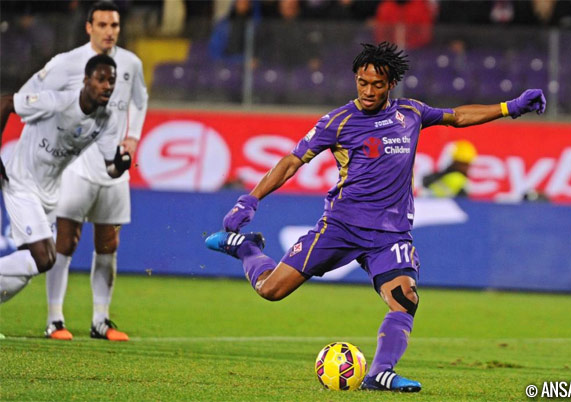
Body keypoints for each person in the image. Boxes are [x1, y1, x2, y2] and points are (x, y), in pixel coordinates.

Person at [205, 42, 546, 392]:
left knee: (405, 298)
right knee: (271, 290)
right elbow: (292, 161)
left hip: (390, 234)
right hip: (341, 227)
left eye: (377, 84)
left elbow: (457, 117)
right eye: (362, 82)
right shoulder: (337, 122)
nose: (368, 91)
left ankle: (380, 373)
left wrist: (510, 107)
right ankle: (245, 248)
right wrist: (250, 200)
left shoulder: (411, 113)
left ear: (391, 84)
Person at [19, 1, 148, 341]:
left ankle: (100, 320)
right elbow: (33, 94)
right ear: (89, 27)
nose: (109, 31)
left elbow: (140, 99)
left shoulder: (131, 63)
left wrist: (133, 137)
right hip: (74, 165)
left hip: (112, 166)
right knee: (66, 240)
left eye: (114, 25)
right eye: (102, 25)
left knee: (109, 243)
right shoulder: (67, 62)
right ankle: (55, 319)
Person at [0, 55, 132, 311]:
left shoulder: (107, 119)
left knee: (31, 266)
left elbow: (111, 169)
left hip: (50, 194)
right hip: (22, 184)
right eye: (101, 79)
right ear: (86, 80)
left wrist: (121, 164)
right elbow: (5, 102)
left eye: (112, 81)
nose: (107, 86)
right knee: (44, 258)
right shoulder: (56, 102)